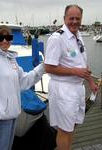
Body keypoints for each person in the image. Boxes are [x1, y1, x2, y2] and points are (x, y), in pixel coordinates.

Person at [44, 5, 98, 150]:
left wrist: (91, 81)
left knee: (72, 126)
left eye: (77, 19)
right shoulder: (57, 38)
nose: (74, 21)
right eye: (71, 18)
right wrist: (75, 71)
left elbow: (82, 64)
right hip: (63, 90)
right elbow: (48, 67)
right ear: (64, 19)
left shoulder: (77, 35)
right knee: (64, 129)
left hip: (77, 89)